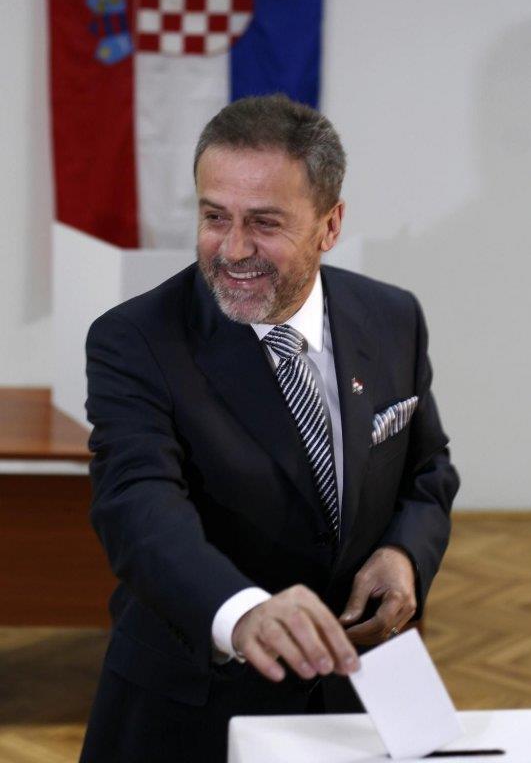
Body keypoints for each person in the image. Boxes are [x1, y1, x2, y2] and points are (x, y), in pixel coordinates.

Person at [79, 94, 459, 763]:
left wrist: (404, 554)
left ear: (330, 224)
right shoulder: (135, 340)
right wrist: (243, 610)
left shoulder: (392, 317)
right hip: (195, 706)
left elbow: (428, 471)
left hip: (362, 693)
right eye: (214, 217)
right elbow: (138, 505)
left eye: (264, 222)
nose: (233, 250)